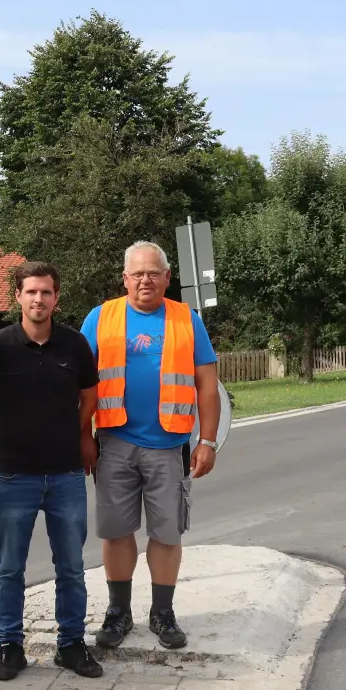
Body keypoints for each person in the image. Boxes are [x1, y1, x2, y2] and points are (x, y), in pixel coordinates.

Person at [80, 241, 220, 651]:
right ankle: (118, 613)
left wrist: (207, 441)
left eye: (153, 273)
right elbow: (80, 384)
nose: (145, 280)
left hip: (169, 445)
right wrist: (81, 438)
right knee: (117, 531)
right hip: (113, 441)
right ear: (125, 278)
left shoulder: (186, 319)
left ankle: (162, 614)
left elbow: (208, 387)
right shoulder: (99, 317)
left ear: (167, 278)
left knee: (167, 533)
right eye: (137, 273)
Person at [0, 261, 104, 680]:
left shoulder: (75, 345)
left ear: (56, 298)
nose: (38, 299)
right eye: (31, 292)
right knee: (10, 567)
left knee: (71, 566)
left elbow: (90, 399)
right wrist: (5, 439)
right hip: (15, 477)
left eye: (46, 292)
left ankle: (71, 645)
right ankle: (10, 646)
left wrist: (79, 436)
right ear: (18, 297)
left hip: (66, 475)